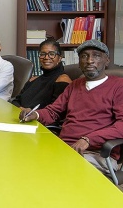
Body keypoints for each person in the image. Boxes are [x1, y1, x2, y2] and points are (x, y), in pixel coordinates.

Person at [19, 39, 123, 175]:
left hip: (97, 153)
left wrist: (88, 139)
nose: (90, 60)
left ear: (107, 60)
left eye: (96, 55)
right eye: (84, 56)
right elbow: (53, 111)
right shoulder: (74, 85)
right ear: (79, 62)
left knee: (54, 172)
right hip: (65, 147)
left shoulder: (118, 86)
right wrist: (35, 114)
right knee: (25, 160)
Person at [11, 39, 72, 109]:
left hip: (37, 119)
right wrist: (20, 109)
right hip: (19, 116)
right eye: (42, 54)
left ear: (60, 58)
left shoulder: (63, 80)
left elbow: (56, 111)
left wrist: (30, 113)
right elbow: (16, 101)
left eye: (52, 54)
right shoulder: (33, 80)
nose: (46, 57)